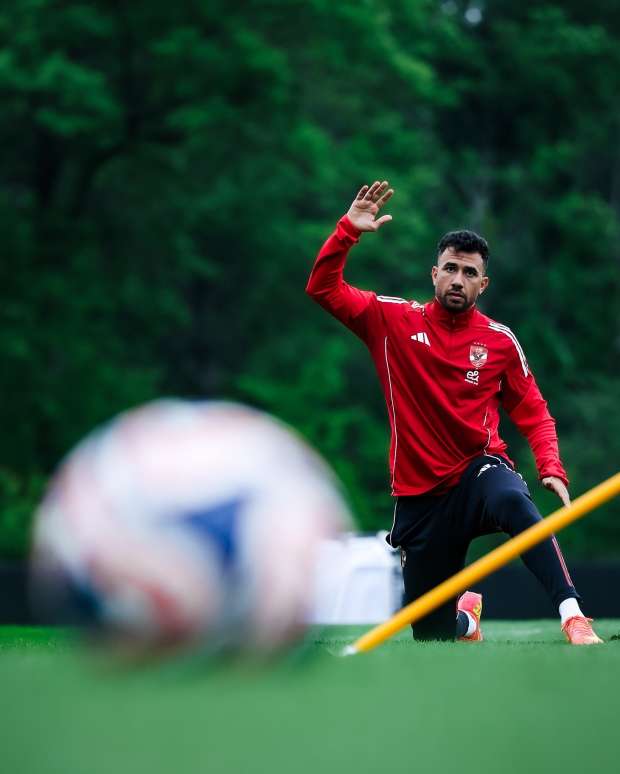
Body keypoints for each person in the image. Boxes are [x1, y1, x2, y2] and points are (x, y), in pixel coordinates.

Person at [306, 180, 602, 645]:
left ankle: (573, 616)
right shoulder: (391, 321)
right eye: (450, 269)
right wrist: (347, 231)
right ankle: (465, 620)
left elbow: (534, 410)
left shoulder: (500, 341)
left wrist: (550, 465)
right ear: (434, 274)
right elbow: (322, 288)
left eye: (469, 272)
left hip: (476, 472)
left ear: (483, 284)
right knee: (432, 635)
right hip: (419, 496)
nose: (458, 279)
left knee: (511, 499)